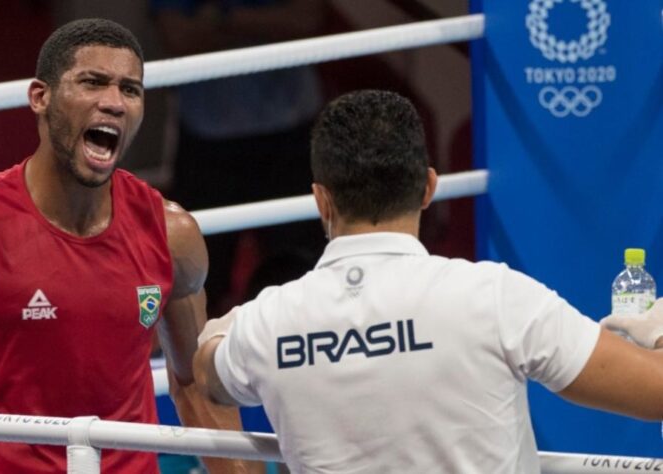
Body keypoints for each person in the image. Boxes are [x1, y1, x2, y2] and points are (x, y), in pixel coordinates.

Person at [192, 89, 663, 473]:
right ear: (429, 189)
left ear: (321, 200)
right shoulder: (494, 297)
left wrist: (219, 332)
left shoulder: (267, 324)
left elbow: (207, 373)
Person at [0, 18, 255, 473]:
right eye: (92, 82)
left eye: (130, 89)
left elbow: (194, 383)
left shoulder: (172, 233)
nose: (113, 103)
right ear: (40, 97)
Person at [150, 0, 328, 314]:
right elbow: (179, 37)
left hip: (291, 136)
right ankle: (200, 362)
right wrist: (265, 25)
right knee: (197, 282)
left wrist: (220, 17)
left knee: (302, 280)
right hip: (209, 140)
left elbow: (305, 20)